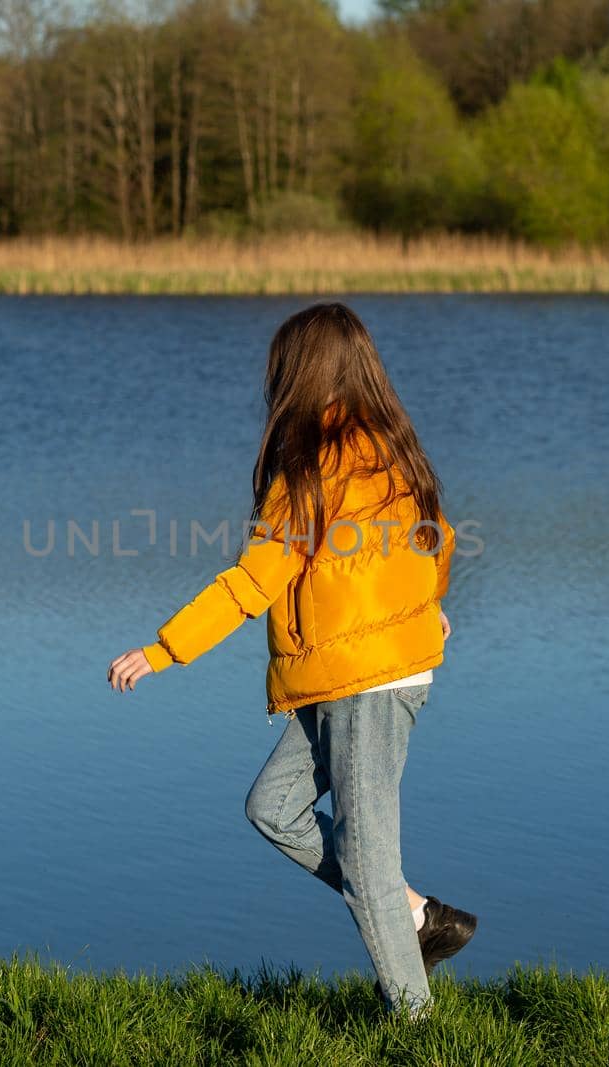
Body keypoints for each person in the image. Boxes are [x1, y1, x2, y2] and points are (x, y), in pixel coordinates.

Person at [105, 301, 476, 1019]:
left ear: (299, 376)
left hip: (368, 684)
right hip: (356, 676)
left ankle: (418, 1024)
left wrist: (163, 649)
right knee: (273, 808)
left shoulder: (308, 471)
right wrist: (429, 603)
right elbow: (438, 541)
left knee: (366, 861)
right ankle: (415, 914)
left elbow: (250, 583)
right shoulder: (394, 448)